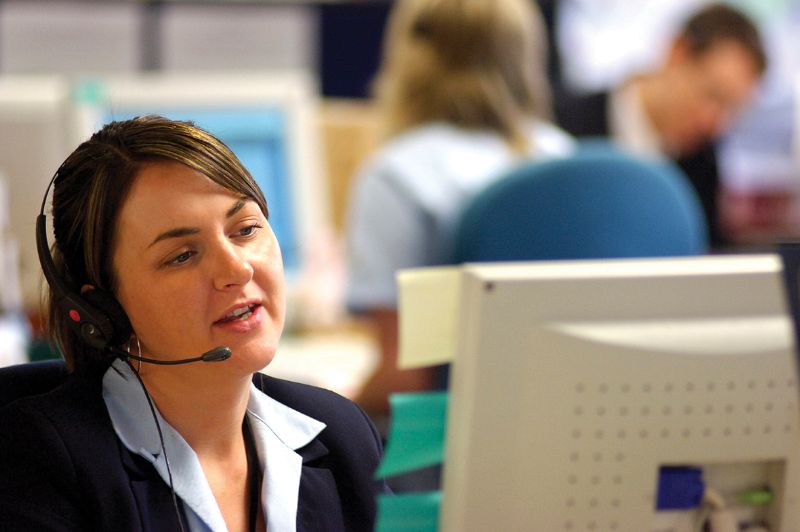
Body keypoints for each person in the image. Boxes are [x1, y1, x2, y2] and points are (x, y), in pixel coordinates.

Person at [0, 116, 386, 531]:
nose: (236, 269)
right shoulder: (39, 462)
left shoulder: (340, 435)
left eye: (245, 229)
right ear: (103, 310)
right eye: (182, 255)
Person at [345, 0, 575, 418]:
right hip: (563, 424)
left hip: (444, 448)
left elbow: (404, 378)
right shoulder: (562, 156)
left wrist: (332, 406)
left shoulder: (398, 174)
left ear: (413, 58)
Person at [554, 2, 767, 248]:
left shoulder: (703, 162)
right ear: (677, 51)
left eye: (732, 110)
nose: (713, 122)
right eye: (712, 95)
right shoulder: (563, 127)